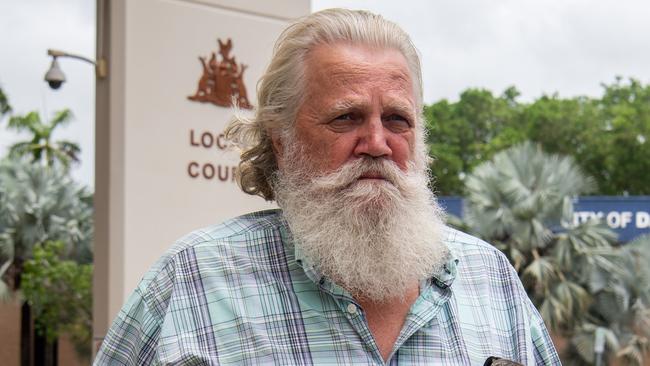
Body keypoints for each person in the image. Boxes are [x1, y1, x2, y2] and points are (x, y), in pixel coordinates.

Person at [94, 9, 560, 365]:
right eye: (346, 117)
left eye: (397, 119)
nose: (377, 143)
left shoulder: (490, 279)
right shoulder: (194, 280)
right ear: (282, 142)